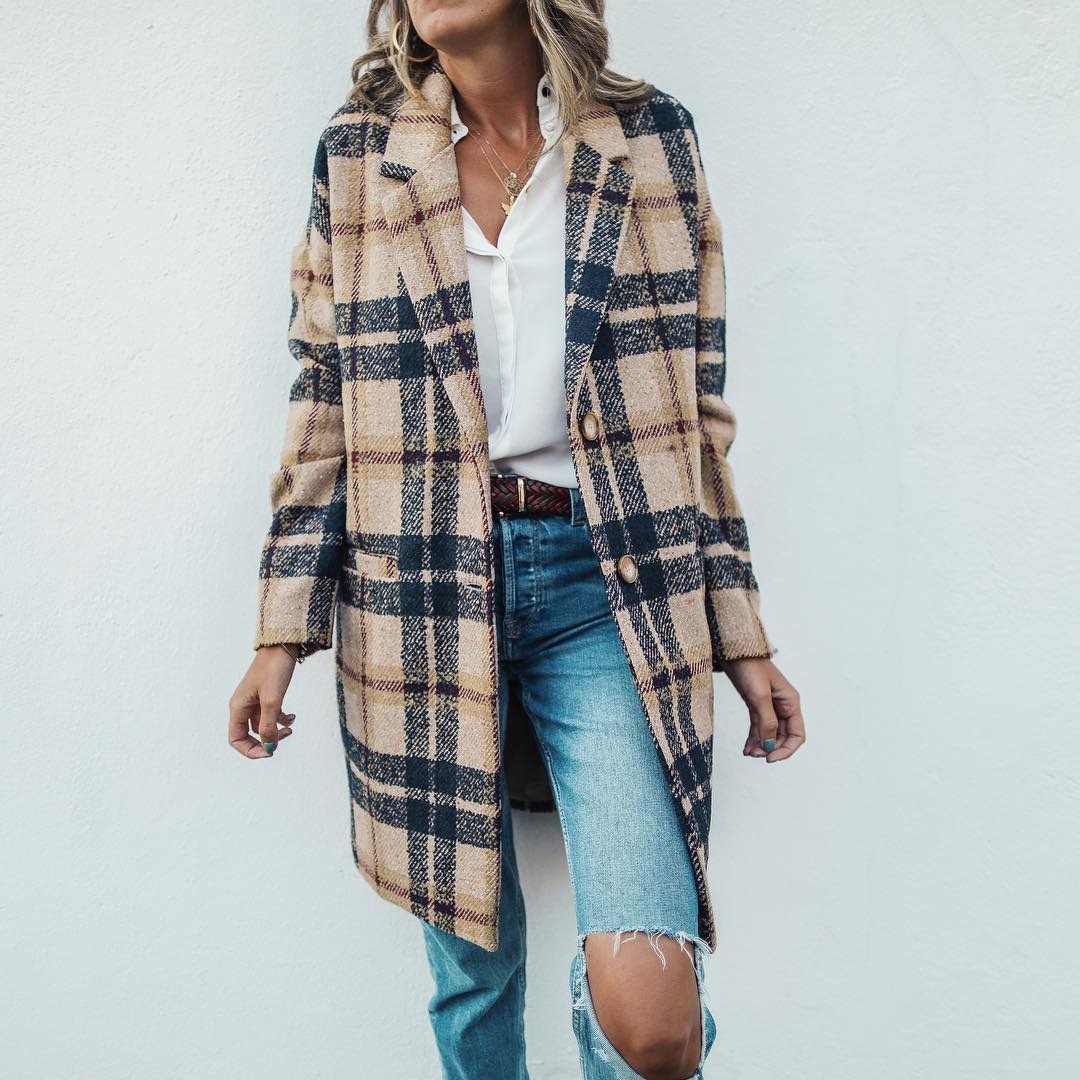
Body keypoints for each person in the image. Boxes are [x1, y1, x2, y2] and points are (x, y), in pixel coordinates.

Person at [228, 1, 806, 1076]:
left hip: (610, 583)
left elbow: (696, 408)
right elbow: (323, 395)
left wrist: (740, 632)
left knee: (655, 1025)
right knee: (473, 970)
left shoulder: (648, 139)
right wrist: (280, 631)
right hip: (418, 593)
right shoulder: (360, 152)